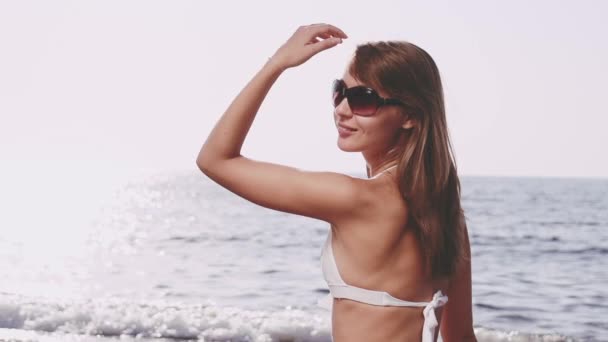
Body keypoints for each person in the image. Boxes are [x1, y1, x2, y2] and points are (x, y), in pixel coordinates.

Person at [196, 23, 476, 342]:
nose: (342, 110)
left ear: (410, 116)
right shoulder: (447, 213)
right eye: (339, 92)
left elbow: (216, 160)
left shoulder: (356, 198)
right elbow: (462, 338)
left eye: (363, 100)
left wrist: (277, 63)